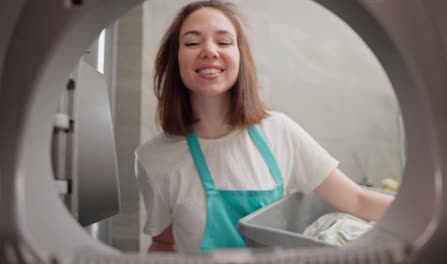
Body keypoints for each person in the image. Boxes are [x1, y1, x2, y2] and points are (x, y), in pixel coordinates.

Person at [135, 0, 394, 254]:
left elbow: (357, 200)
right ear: (175, 59)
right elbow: (164, 244)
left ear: (240, 57)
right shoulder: (154, 158)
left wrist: (427, 214)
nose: (210, 51)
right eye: (192, 42)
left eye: (224, 41)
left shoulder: (279, 132)